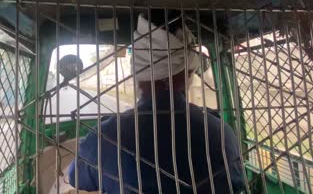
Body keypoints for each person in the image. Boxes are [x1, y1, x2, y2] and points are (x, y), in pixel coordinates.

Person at [68, 10, 245, 193]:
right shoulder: (221, 133)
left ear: (137, 74)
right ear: (188, 74)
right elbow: (236, 183)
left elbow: (75, 177)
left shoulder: (106, 136)